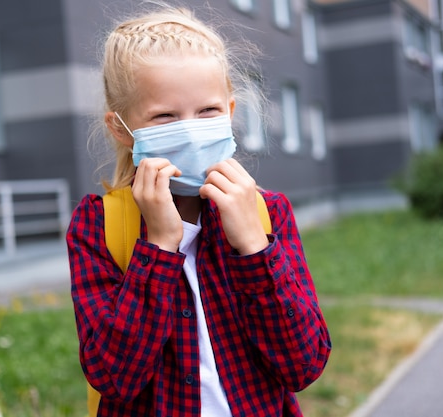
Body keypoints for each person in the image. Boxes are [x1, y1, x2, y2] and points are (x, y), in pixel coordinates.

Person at [66, 4, 331, 416]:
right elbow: (113, 378)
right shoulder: (98, 225)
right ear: (122, 128)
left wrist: (254, 250)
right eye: (165, 117)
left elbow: (304, 364)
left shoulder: (268, 213)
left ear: (229, 113)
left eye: (207, 111)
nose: (190, 131)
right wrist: (159, 249)